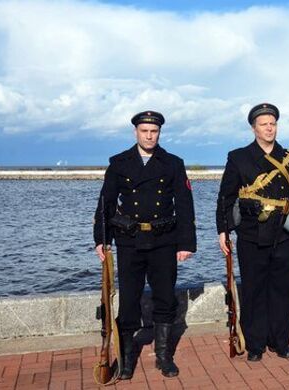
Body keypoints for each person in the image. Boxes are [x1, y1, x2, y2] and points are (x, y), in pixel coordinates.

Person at [93, 110, 196, 379]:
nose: (150, 135)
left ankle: (163, 356)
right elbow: (105, 204)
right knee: (128, 300)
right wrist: (101, 240)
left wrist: (186, 243)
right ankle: (127, 360)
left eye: (154, 131)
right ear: (135, 132)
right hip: (130, 242)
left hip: (164, 239)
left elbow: (185, 205)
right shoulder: (119, 163)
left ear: (159, 133)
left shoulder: (173, 163)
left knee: (164, 297)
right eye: (145, 131)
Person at [216, 103, 289, 362]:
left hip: (284, 234)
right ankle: (256, 344)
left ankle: (280, 341)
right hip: (251, 234)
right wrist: (223, 230)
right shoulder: (237, 157)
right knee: (253, 290)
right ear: (254, 128)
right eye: (264, 124)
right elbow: (226, 198)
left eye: (272, 124)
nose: (269, 128)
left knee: (284, 291)